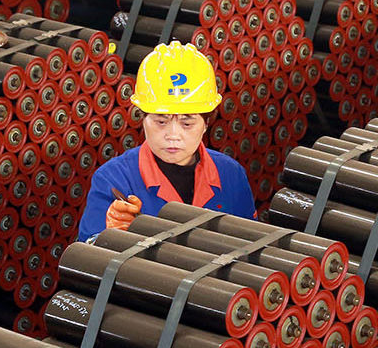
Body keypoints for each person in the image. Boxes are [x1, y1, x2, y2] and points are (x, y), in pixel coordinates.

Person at [77, 41, 256, 242]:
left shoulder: (231, 175)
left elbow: (252, 248)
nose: (173, 134)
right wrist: (108, 240)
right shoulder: (113, 180)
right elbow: (83, 262)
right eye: (161, 121)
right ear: (143, 120)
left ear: (206, 123)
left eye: (187, 123)